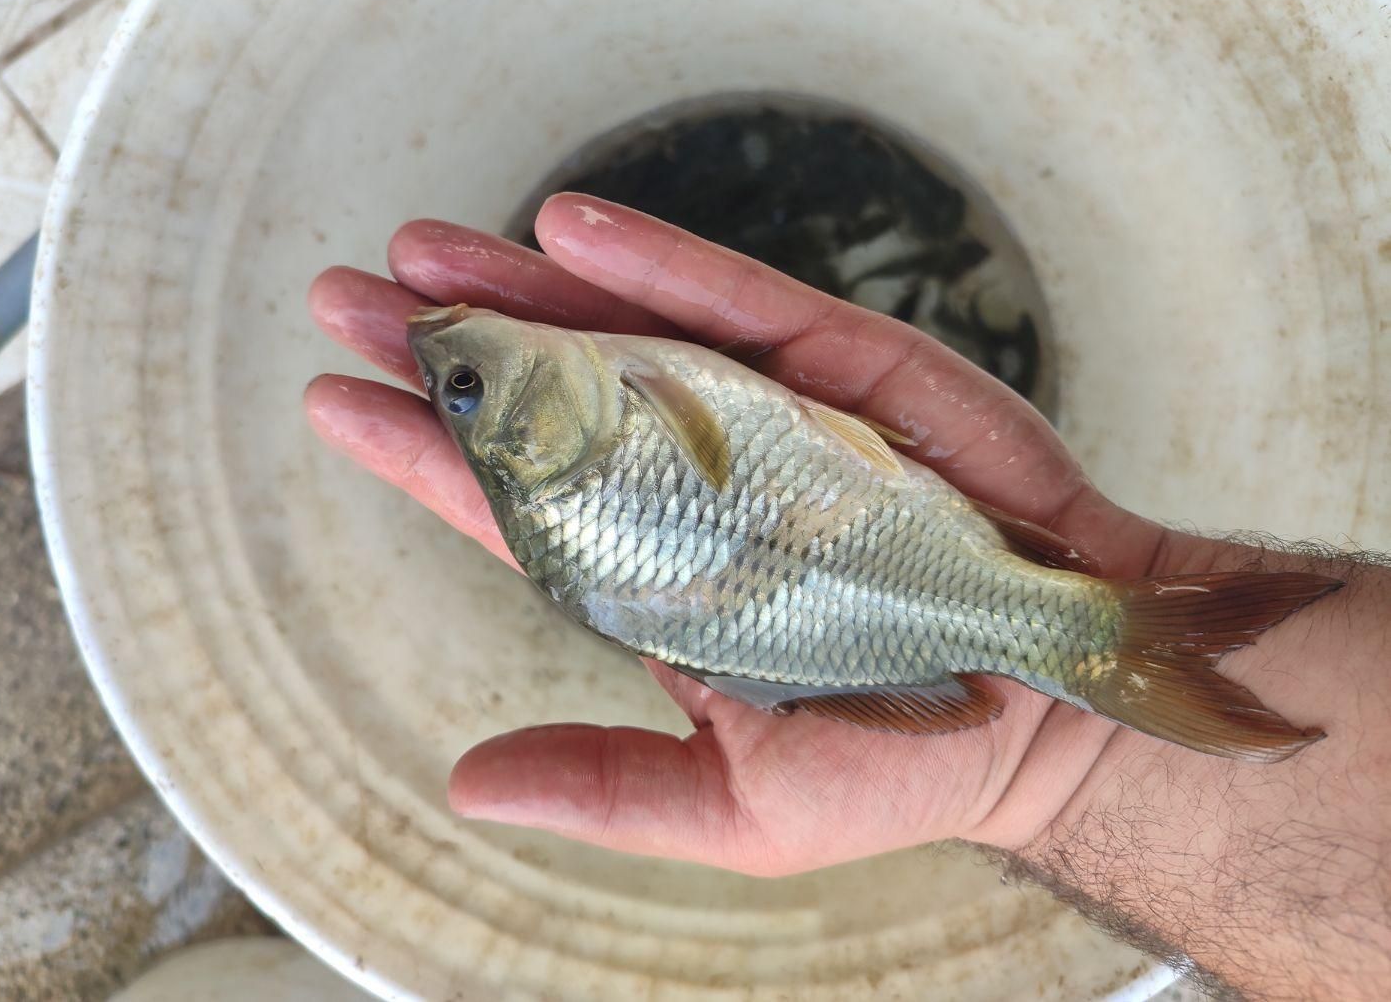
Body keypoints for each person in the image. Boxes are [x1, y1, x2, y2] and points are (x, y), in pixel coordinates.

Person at [305, 193, 1390, 1001]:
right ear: (533, 442)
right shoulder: (610, 408)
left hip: (866, 581)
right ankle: (1103, 642)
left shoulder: (601, 411)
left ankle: (1125, 650)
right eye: (469, 390)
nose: (457, 367)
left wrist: (1078, 771)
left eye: (462, 390)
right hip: (892, 560)